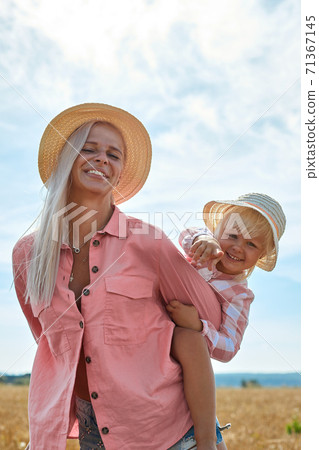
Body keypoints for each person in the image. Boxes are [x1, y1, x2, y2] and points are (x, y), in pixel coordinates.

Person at [12, 103, 224, 450]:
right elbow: (49, 340)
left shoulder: (149, 243)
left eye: (114, 154)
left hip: (168, 429)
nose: (102, 159)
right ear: (67, 159)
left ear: (120, 173)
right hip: (93, 433)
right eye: (88, 148)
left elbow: (208, 318)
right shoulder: (28, 254)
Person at [166, 193, 286, 449]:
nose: (238, 247)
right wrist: (203, 239)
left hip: (188, 371)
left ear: (261, 255)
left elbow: (229, 347)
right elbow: (187, 233)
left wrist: (198, 326)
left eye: (251, 244)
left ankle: (208, 438)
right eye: (232, 235)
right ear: (218, 232)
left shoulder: (239, 295)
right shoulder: (203, 252)